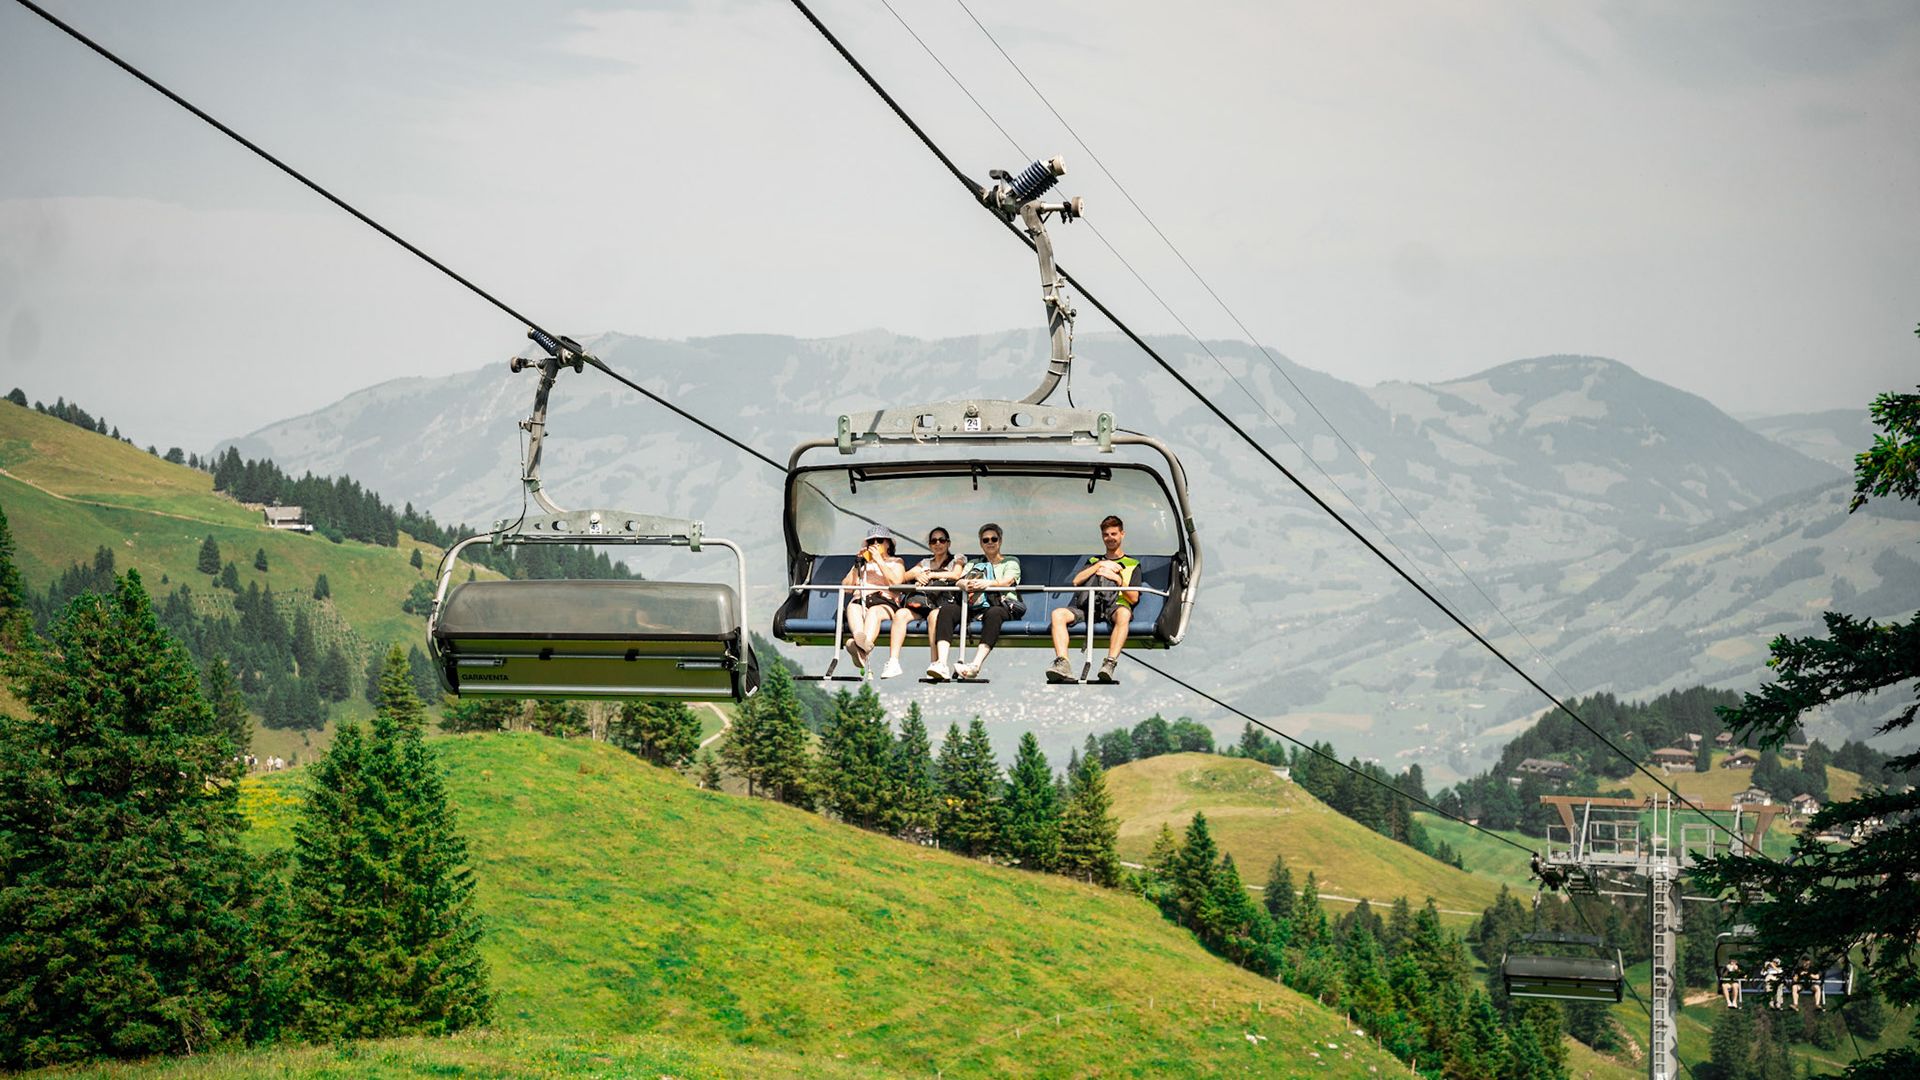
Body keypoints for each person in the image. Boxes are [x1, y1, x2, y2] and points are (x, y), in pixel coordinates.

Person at [1047, 515, 1140, 684]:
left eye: (1113, 534)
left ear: (1122, 534)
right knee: (1058, 614)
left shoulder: (1132, 564)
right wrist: (1099, 566)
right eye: (1106, 535)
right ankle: (1062, 662)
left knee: (1124, 615)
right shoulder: (1093, 561)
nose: (1110, 538)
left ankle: (1110, 662)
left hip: (1113, 607)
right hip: (1088, 607)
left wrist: (1118, 580)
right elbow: (1077, 581)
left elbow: (1133, 598)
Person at [896, 527, 970, 680]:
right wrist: (918, 575)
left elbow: (955, 574)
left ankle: (936, 662)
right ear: (930, 545)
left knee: (934, 617)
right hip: (924, 603)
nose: (938, 544)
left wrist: (931, 575)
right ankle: (893, 661)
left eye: (942, 540)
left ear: (948, 543)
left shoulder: (957, 559)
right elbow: (903, 577)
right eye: (934, 541)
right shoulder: (924, 563)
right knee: (901, 614)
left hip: (943, 604)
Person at [954, 522, 1022, 681]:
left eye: (994, 539)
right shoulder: (973, 564)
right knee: (948, 610)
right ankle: (940, 662)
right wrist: (963, 583)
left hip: (1001, 605)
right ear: (981, 543)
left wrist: (987, 584)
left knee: (993, 613)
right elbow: (960, 580)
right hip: (976, 607)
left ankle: (976, 664)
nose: (990, 542)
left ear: (1000, 541)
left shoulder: (1011, 561)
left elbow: (1007, 581)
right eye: (986, 540)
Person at [839, 525, 904, 678]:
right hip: (861, 600)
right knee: (853, 608)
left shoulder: (896, 562)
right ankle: (861, 642)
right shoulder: (862, 564)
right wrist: (857, 565)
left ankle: (858, 647)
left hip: (884, 602)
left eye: (879, 540)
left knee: (874, 612)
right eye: (871, 542)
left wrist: (880, 561)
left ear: (888, 544)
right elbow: (846, 588)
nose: (875, 544)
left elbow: (897, 582)